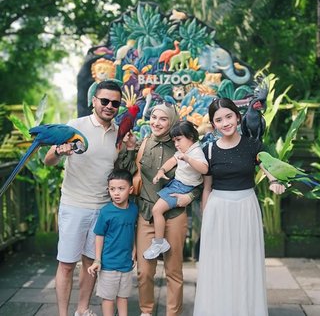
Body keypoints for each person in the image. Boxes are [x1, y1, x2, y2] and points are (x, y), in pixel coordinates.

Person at [193, 98, 285, 315]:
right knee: (218, 263)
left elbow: (268, 169)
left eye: (228, 116)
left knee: (246, 262)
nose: (225, 123)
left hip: (245, 208)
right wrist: (206, 220)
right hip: (218, 209)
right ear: (213, 124)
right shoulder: (209, 151)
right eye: (218, 120)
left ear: (237, 117)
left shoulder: (253, 146)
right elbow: (207, 188)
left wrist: (275, 181)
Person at [43, 80, 122, 316]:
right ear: (94, 101)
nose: (109, 106)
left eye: (115, 103)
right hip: (74, 206)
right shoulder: (75, 126)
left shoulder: (120, 133)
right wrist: (59, 151)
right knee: (66, 264)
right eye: (105, 100)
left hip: (102, 209)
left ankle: (82, 310)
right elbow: (48, 160)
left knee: (91, 265)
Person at [117, 103, 201, 316]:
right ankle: (146, 311)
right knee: (144, 271)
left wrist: (189, 196)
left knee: (174, 271)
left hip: (174, 214)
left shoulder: (183, 146)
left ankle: (174, 313)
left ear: (172, 121)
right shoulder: (143, 143)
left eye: (163, 119)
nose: (156, 122)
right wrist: (128, 149)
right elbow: (126, 174)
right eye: (154, 117)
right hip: (146, 213)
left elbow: (200, 180)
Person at [143, 121, 208, 259]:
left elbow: (204, 169)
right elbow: (172, 161)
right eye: (174, 141)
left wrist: (188, 158)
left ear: (190, 136)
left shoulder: (195, 152)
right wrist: (161, 171)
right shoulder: (184, 151)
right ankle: (159, 242)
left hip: (183, 187)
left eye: (179, 140)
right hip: (177, 184)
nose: (176, 144)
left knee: (156, 210)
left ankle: (159, 242)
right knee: (157, 210)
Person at [87, 169, 138, 316]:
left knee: (123, 297)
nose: (116, 193)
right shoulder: (106, 212)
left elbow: (132, 231)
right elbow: (99, 235)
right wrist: (97, 260)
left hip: (126, 264)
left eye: (121, 189)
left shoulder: (134, 209)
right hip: (109, 264)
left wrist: (134, 250)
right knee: (108, 298)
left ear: (131, 189)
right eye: (112, 189)